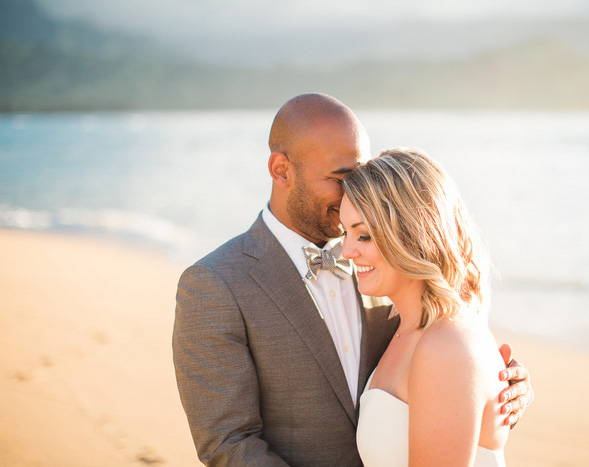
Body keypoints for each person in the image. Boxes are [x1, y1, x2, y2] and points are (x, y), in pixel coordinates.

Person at [172, 93, 532, 466]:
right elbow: (229, 443)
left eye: (359, 176)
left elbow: (446, 367)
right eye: (341, 178)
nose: (355, 192)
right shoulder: (215, 285)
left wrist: (497, 390)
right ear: (281, 170)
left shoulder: (387, 269)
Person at [342, 148, 510, 466]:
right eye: (344, 232)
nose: (346, 251)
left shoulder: (447, 343)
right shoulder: (402, 328)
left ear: (411, 234)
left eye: (363, 235)